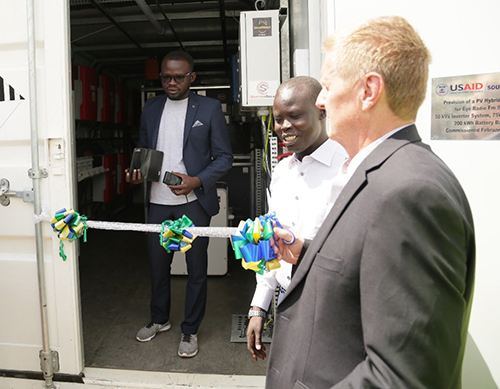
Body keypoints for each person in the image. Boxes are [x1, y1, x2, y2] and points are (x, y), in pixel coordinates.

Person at [268, 16, 475, 388]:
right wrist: (305, 252)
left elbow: (404, 376)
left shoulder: (409, 192)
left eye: (328, 86)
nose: (320, 100)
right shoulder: (381, 171)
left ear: (369, 91)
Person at [126, 50, 233, 358]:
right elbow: (145, 152)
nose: (171, 83)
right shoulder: (151, 107)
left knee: (196, 269)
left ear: (192, 77)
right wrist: (137, 175)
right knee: (158, 267)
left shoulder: (210, 108)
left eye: (178, 77)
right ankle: (159, 319)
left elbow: (224, 157)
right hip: (158, 202)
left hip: (194, 202)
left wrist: (196, 181)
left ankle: (190, 329)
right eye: (165, 77)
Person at [246, 76, 347, 362]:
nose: (284, 127)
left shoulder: (348, 168)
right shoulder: (282, 172)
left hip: (331, 305)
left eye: (295, 116)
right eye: (278, 119)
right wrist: (258, 307)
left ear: (322, 112)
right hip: (285, 300)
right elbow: (271, 244)